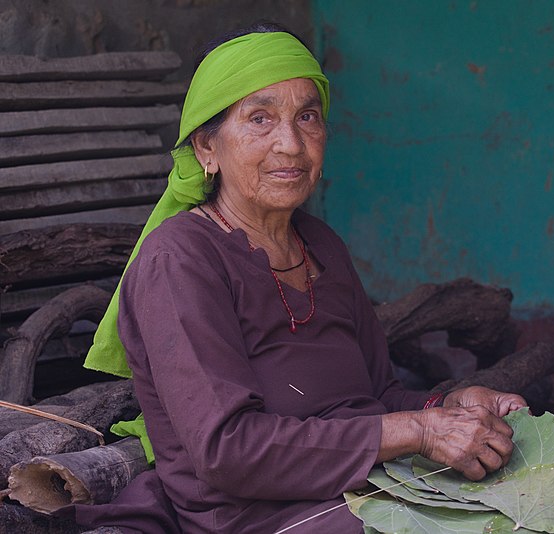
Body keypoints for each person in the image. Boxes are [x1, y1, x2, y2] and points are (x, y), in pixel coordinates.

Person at [70, 22, 527, 533]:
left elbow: (377, 398)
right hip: (260, 518)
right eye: (260, 119)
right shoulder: (179, 259)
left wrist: (449, 407)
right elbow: (229, 451)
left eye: (307, 117)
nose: (289, 144)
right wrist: (420, 429)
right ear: (207, 149)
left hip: (369, 488)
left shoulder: (321, 244)